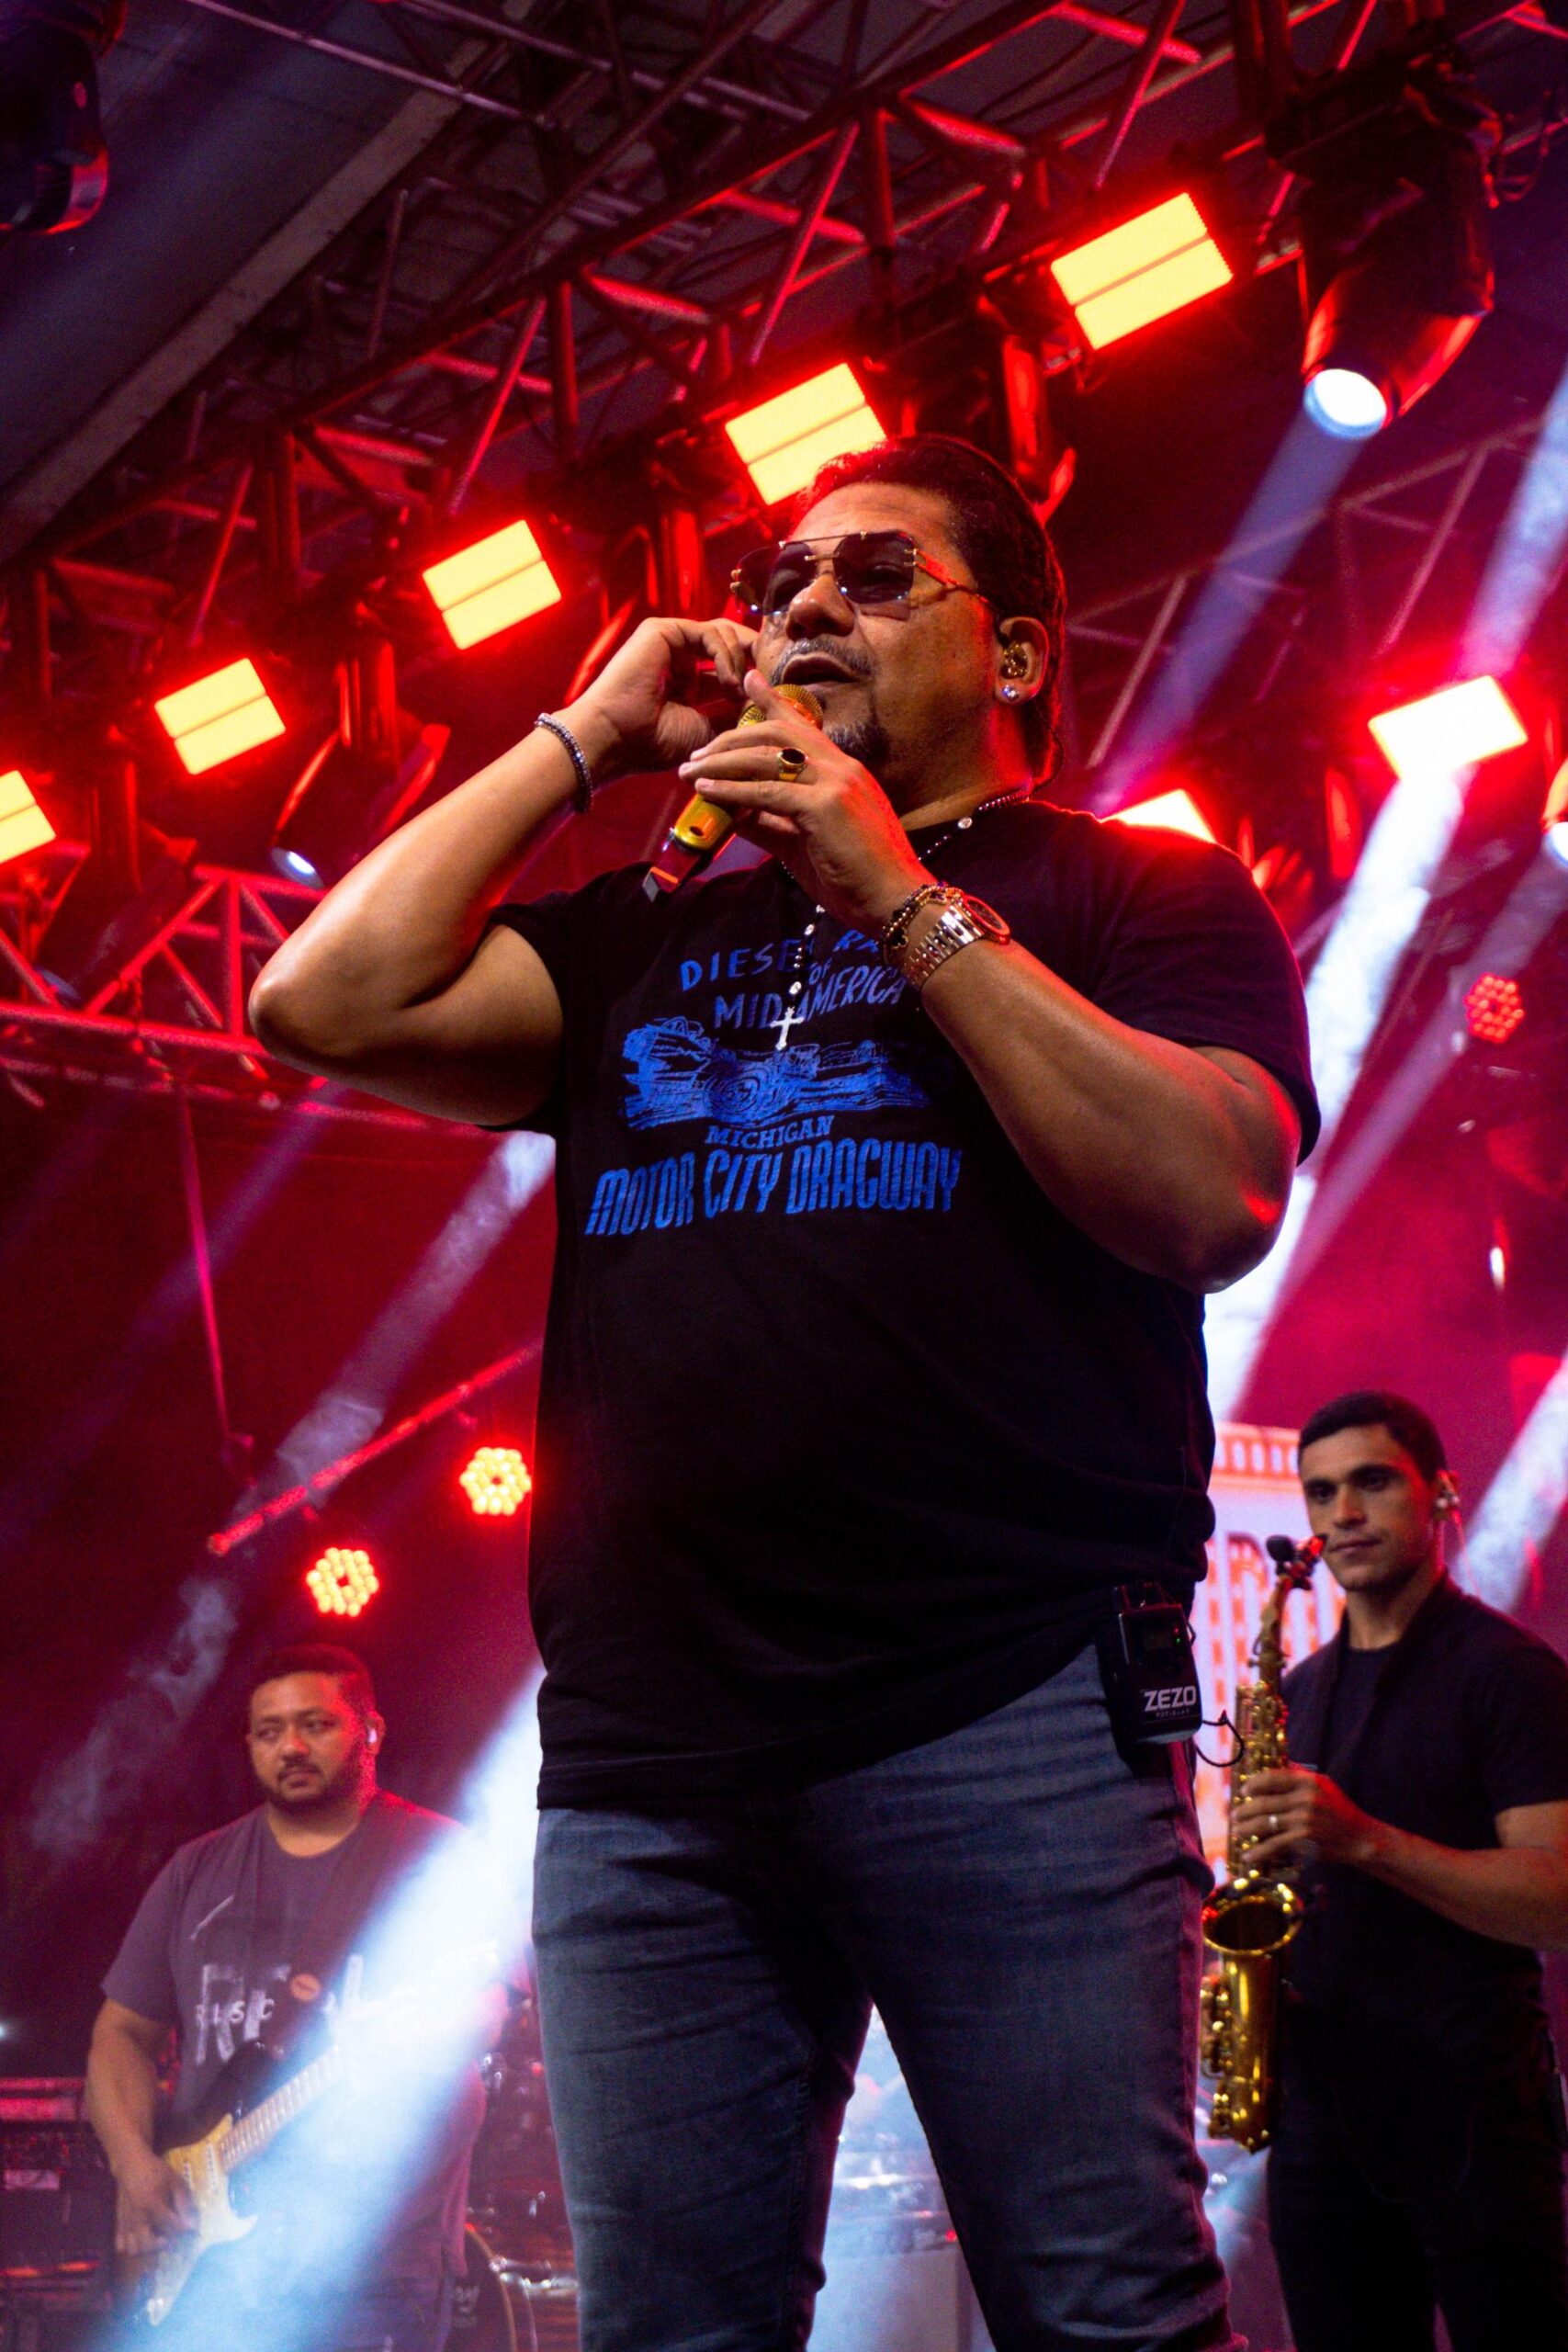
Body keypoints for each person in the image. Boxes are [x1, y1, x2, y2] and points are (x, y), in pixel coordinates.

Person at [249, 433, 1321, 2350]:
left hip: (1000, 1705)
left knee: (1103, 2315)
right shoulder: (647, 933)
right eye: (780, 581)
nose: (805, 603)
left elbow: (1208, 1196)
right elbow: (315, 1002)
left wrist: (890, 886)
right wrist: (582, 737)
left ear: (1013, 653)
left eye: (874, 575)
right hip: (651, 1754)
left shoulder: (1132, 890)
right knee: (671, 2331)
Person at [1235, 1389, 1568, 2352]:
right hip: (1320, 2123)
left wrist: (1363, 1840)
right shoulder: (1295, 1692)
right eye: (1320, 1492)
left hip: (1472, 2121)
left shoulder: (1509, 1674)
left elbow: (1557, 1903)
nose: (1342, 1514)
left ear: (1442, 1493)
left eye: (1372, 1482)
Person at [85, 1644, 500, 2352]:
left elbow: (484, 2008)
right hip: (205, 2254)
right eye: (270, 1731)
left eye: (316, 1724)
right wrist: (134, 2165)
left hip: (372, 2261)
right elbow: (120, 2034)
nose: (292, 1747)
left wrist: (416, 2041)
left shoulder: (440, 1858)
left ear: (371, 1731)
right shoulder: (196, 1870)